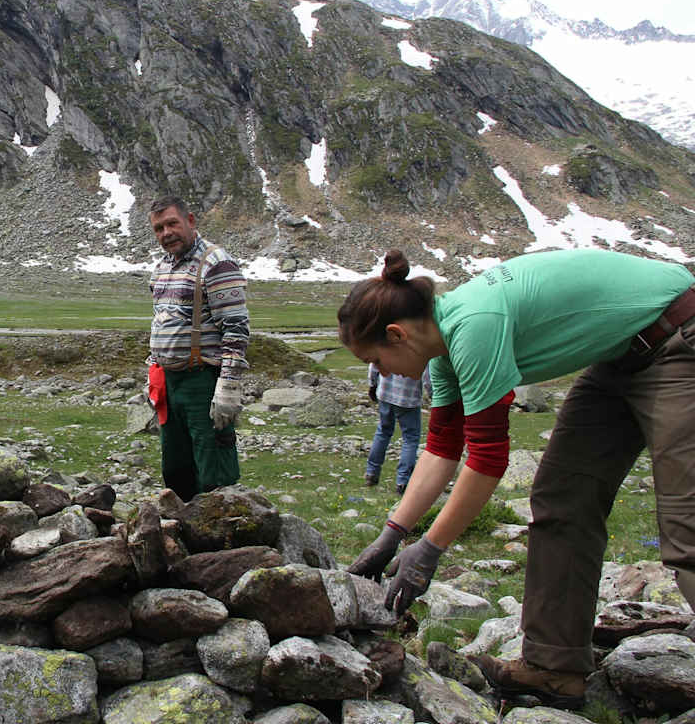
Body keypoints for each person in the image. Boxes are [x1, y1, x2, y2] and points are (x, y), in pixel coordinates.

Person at [337, 247, 695, 709]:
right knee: (563, 498)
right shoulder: (443, 352)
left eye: (375, 360)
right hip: (621, 354)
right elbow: (443, 448)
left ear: (396, 334)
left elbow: (487, 459)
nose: (380, 373)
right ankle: (554, 668)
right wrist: (392, 534)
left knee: (687, 526)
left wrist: (429, 550)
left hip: (679, 335)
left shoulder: (474, 326)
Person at [146, 195, 250, 502]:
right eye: (159, 228)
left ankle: (220, 525)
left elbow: (236, 327)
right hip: (169, 382)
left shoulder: (217, 263)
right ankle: (183, 524)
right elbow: (160, 322)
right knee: (176, 466)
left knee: (212, 466)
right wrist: (152, 372)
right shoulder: (162, 267)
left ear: (190, 220)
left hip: (202, 380)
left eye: (172, 224)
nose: (166, 233)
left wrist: (228, 386)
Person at [364, 363, 431, 494]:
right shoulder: (421, 349)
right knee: (410, 439)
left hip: (385, 392)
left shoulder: (386, 347)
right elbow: (427, 375)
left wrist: (372, 384)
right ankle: (403, 481)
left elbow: (375, 362)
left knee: (383, 431)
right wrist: (432, 393)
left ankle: (371, 473)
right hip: (409, 398)